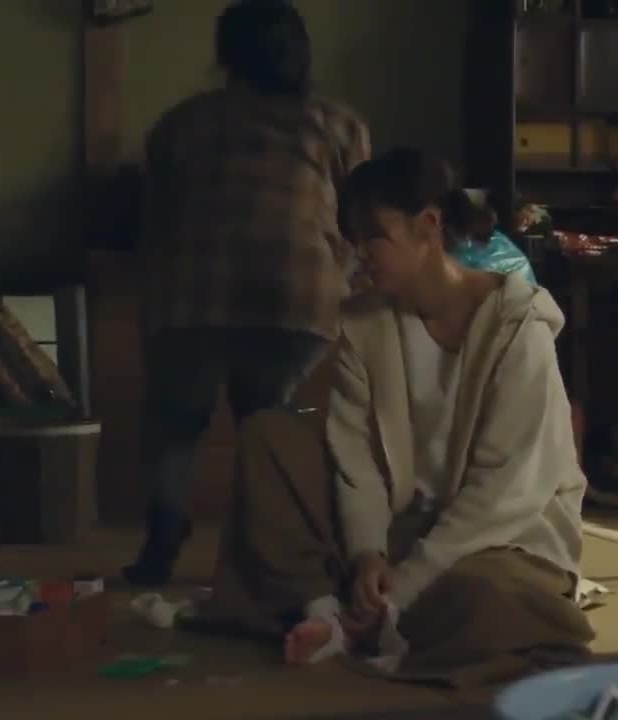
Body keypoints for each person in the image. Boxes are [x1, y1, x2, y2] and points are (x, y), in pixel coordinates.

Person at [198, 148, 594, 684]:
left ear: (427, 226)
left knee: (487, 599)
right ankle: (329, 613)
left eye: (374, 237)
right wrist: (368, 554)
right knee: (270, 438)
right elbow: (355, 457)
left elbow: (505, 492)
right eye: (354, 240)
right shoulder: (365, 324)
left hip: (501, 536)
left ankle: (376, 620)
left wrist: (404, 585)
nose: (361, 254)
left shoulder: (518, 329)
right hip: (404, 524)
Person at [124, 0, 371, 587]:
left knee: (175, 422)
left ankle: (165, 529)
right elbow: (361, 218)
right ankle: (271, 547)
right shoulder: (338, 125)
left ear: (225, 55)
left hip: (193, 294)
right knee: (267, 425)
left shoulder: (182, 123)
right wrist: (347, 274)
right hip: (298, 293)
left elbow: (155, 221)